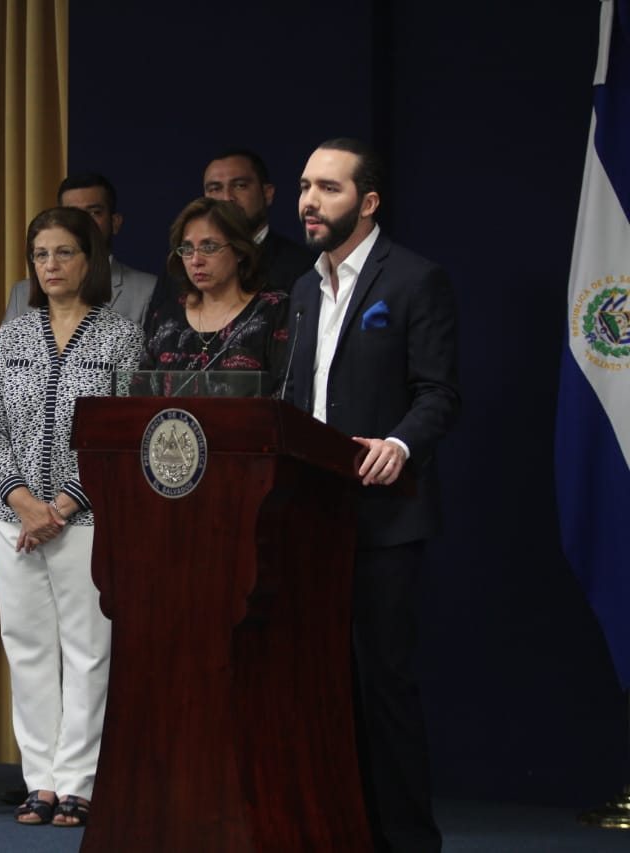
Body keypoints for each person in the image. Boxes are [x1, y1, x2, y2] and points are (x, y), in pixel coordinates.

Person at [282, 138, 459, 853]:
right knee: (315, 684)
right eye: (305, 186)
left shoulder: (415, 279)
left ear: (369, 201)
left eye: (328, 188)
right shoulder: (301, 291)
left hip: (384, 517)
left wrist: (399, 443)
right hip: (308, 517)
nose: (309, 201)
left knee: (381, 684)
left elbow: (438, 393)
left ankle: (407, 841)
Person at [0, 206, 143, 828]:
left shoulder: (121, 336)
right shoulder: (13, 334)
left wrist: (66, 503)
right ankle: (39, 781)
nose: (50, 265)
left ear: (89, 259)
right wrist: (22, 500)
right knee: (27, 649)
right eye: (41, 254)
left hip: (87, 518)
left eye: (64, 252)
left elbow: (126, 435)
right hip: (10, 518)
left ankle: (79, 781)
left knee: (88, 649)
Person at [140, 197, 289, 383]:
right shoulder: (166, 318)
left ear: (239, 250)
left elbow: (287, 391)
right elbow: (139, 388)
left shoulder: (273, 311)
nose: (196, 260)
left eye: (209, 247)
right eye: (187, 249)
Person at [3, 173, 156, 329]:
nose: (82, 222)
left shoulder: (148, 290)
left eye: (94, 212)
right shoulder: (21, 294)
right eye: (71, 214)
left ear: (115, 222)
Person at [202, 147, 317, 292]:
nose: (227, 198)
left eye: (240, 186)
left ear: (267, 194)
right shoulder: (186, 269)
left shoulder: (303, 269)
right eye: (215, 189)